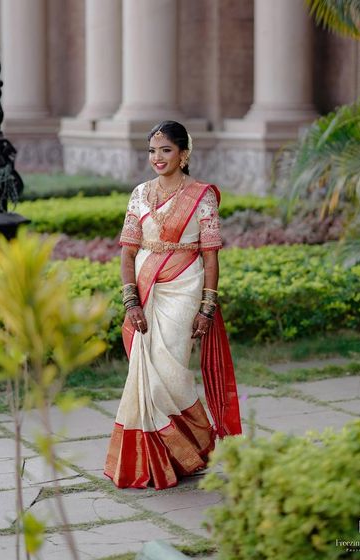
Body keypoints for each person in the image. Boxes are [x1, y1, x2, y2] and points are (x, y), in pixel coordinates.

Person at [104, 120, 241, 490]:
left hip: (185, 289)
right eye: (152, 151)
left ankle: (192, 444)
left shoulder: (202, 196)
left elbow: (211, 259)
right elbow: (128, 253)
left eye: (165, 150)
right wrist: (130, 300)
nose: (157, 157)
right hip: (146, 289)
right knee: (143, 371)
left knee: (169, 369)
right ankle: (172, 454)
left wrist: (206, 309)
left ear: (184, 153)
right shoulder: (138, 194)